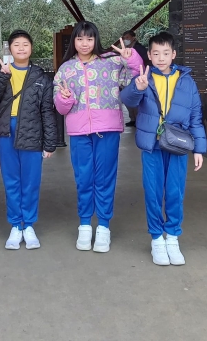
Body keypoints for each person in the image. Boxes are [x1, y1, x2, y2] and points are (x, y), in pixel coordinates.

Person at [54, 21, 143, 253]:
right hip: (79, 131)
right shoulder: (66, 69)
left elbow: (136, 76)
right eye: (80, 39)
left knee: (104, 178)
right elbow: (61, 108)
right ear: (74, 41)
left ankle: (103, 226)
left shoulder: (111, 61)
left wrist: (131, 57)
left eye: (89, 39)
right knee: (83, 178)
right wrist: (65, 98)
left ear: (96, 40)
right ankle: (85, 225)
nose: (85, 43)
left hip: (107, 129)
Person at [121, 32, 206, 266]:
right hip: (152, 145)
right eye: (156, 53)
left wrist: (199, 148)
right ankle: (157, 239)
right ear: (148, 55)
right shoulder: (144, 77)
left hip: (177, 144)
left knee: (175, 192)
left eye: (165, 53)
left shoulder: (186, 81)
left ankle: (173, 237)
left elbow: (196, 116)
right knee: (153, 192)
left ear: (173, 54)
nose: (161, 58)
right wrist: (137, 88)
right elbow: (127, 100)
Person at [0, 29, 57, 250]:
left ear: (31, 48)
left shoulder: (41, 77)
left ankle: (29, 225)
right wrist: (2, 76)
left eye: (25, 44)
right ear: (10, 49)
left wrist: (50, 142)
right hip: (6, 131)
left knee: (31, 182)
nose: (21, 48)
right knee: (11, 181)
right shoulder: (1, 71)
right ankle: (16, 225)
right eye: (16, 45)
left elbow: (47, 110)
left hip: (32, 131)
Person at [122, 30, 151, 127]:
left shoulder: (139, 48)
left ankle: (138, 119)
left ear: (133, 37)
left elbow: (146, 61)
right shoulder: (125, 49)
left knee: (137, 99)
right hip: (128, 78)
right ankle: (133, 119)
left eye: (127, 37)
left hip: (138, 77)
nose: (125, 40)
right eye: (124, 38)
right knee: (128, 98)